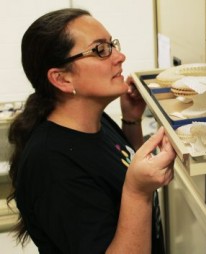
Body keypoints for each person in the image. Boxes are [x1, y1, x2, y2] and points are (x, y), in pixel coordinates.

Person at [6, 8, 176, 254]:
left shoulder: (95, 121)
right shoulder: (51, 164)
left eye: (112, 45)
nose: (120, 56)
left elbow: (122, 165)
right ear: (62, 79)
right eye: (100, 50)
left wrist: (131, 121)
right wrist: (138, 193)